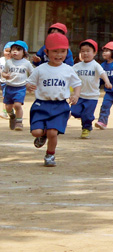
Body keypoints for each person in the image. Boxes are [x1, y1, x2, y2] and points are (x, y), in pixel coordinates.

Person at [25, 32, 81, 167]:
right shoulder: (40, 69)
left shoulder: (68, 69)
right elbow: (29, 81)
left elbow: (77, 84)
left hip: (60, 105)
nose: (59, 55)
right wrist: (29, 86)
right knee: (36, 132)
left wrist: (76, 95)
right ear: (46, 52)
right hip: (41, 104)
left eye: (62, 51)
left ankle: (50, 154)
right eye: (55, 51)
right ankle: (42, 135)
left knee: (53, 132)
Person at [70, 39, 112, 138]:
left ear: (94, 53)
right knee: (75, 112)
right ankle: (87, 117)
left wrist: (107, 82)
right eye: (83, 51)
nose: (85, 53)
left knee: (87, 115)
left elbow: (102, 73)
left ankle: (86, 128)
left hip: (92, 97)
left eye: (88, 51)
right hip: (79, 95)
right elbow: (69, 76)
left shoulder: (96, 65)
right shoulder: (76, 66)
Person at [3, 40, 34, 130]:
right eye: (13, 50)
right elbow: (3, 72)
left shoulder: (26, 63)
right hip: (9, 87)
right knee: (8, 107)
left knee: (17, 105)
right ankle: (12, 117)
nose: (15, 52)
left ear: (24, 52)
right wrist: (6, 75)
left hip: (20, 88)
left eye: (18, 50)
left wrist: (29, 83)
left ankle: (19, 122)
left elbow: (33, 73)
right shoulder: (8, 62)